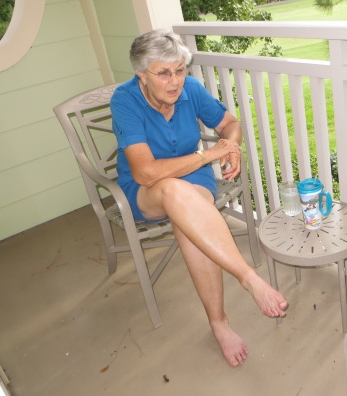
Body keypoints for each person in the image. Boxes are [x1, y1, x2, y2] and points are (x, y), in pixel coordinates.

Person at [110, 28, 288, 366]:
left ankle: (219, 323)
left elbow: (229, 124)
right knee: (176, 192)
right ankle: (248, 278)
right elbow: (145, 172)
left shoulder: (190, 90)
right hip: (145, 189)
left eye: (179, 70)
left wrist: (231, 145)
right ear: (141, 75)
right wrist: (208, 155)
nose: (175, 81)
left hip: (193, 176)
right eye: (163, 72)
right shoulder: (124, 100)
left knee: (187, 220)